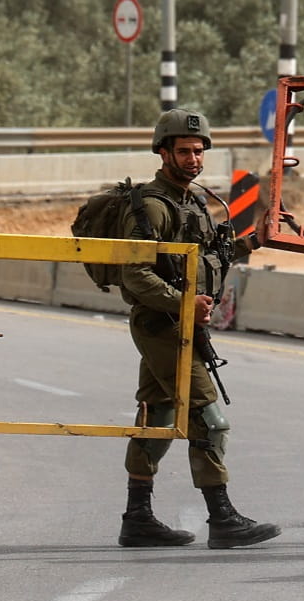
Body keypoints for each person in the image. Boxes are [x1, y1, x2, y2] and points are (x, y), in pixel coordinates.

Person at [117, 109, 280, 550]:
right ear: (163, 152)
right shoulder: (152, 205)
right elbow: (136, 274)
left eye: (199, 151)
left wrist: (253, 242)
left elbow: (212, 256)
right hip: (161, 324)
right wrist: (182, 303)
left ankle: (137, 517)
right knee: (209, 416)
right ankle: (222, 517)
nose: (194, 159)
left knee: (159, 415)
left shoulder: (192, 202)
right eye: (185, 151)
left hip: (182, 324)